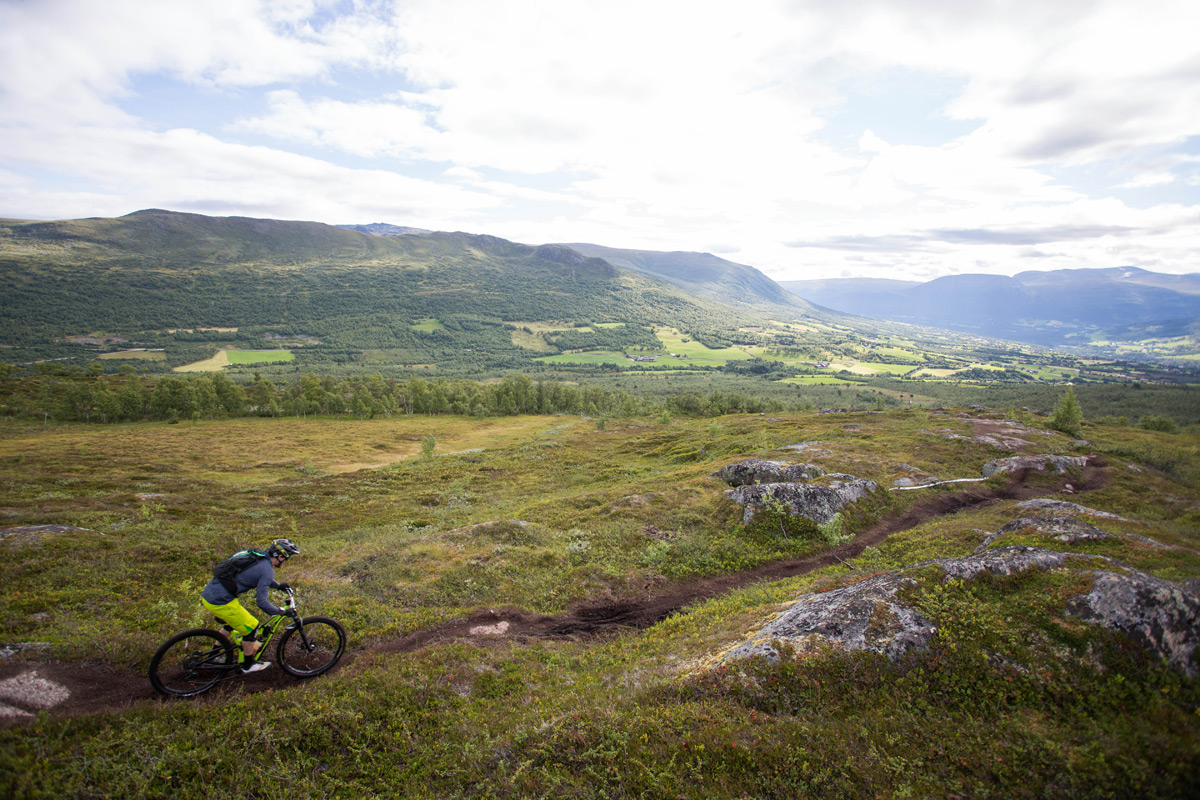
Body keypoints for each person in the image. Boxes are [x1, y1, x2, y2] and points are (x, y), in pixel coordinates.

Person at [200, 538, 300, 674]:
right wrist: (280, 612)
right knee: (252, 627)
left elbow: (255, 575)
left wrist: (278, 585)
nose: (285, 561)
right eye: (287, 558)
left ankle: (214, 654)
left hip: (210, 593)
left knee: (233, 623)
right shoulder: (267, 570)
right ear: (281, 556)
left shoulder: (257, 556)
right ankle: (248, 665)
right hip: (221, 601)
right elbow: (262, 602)